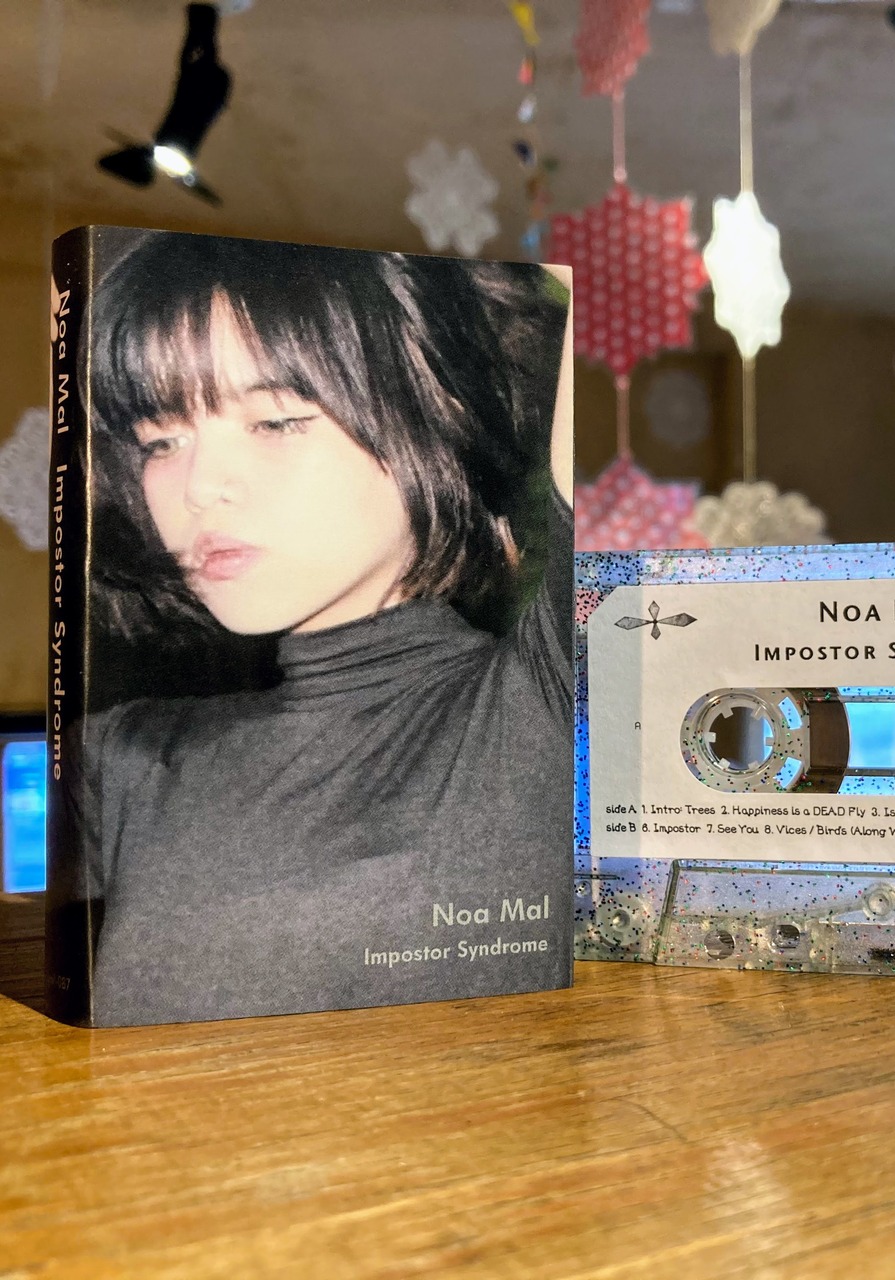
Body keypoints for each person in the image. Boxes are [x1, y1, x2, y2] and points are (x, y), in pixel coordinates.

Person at [61, 229, 573, 1025]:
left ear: (432, 407)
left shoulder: (546, 704)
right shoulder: (125, 758)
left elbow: (605, 289)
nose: (198, 487)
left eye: (274, 422)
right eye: (162, 440)